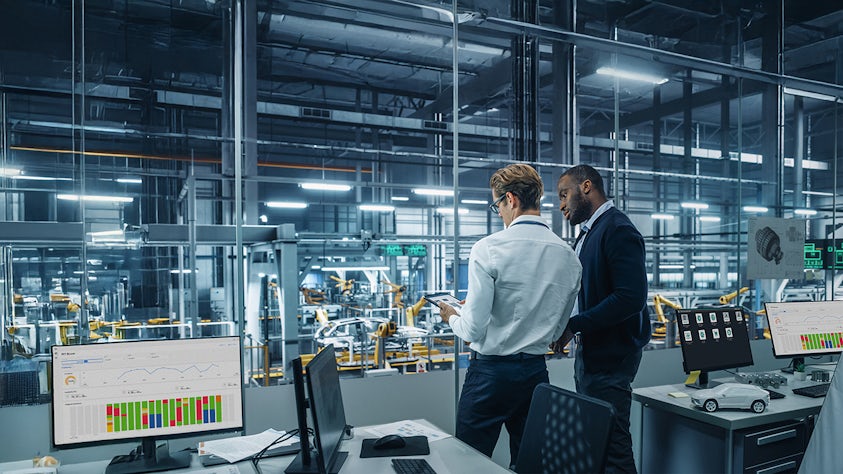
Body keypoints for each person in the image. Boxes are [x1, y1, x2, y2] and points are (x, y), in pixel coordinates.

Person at [437, 163, 581, 464]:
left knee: (468, 462)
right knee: (530, 462)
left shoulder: (489, 248)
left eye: (497, 205)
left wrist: (452, 315)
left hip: (489, 376)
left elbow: (473, 330)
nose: (499, 212)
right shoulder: (569, 257)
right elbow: (556, 332)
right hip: (535, 376)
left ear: (511, 199)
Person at [553, 164, 651, 474]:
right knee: (596, 444)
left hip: (611, 359)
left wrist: (574, 325)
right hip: (593, 354)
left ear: (586, 187)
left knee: (612, 449)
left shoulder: (617, 229)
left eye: (563, 195)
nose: (560, 206)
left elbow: (630, 297)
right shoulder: (590, 233)